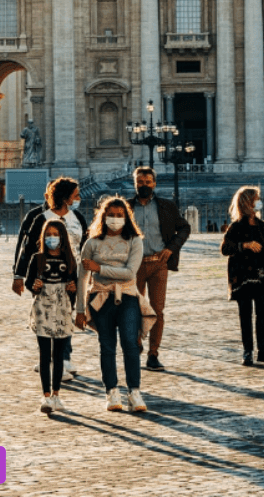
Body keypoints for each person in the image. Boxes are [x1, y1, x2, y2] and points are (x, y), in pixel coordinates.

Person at [75, 195, 148, 413]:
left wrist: (99, 268)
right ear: (103, 217)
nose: (115, 219)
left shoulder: (135, 241)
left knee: (130, 344)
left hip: (127, 297)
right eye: (111, 215)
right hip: (100, 298)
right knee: (106, 346)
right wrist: (79, 309)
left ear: (127, 218)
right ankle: (111, 391)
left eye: (119, 215)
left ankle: (134, 391)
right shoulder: (92, 243)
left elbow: (129, 273)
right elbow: (82, 278)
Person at [13, 176, 88, 379]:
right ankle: (52, 361)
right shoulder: (41, 219)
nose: (78, 198)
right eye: (75, 195)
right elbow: (27, 249)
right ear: (65, 198)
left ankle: (63, 359)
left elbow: (87, 247)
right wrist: (19, 275)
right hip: (45, 276)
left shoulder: (78, 218)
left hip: (72, 275)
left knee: (65, 316)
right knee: (47, 317)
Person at [128, 166, 191, 371]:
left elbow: (184, 227)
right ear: (135, 183)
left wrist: (171, 249)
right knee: (133, 309)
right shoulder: (126, 207)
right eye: (140, 182)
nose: (144, 185)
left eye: (147, 182)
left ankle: (153, 352)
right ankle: (136, 342)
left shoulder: (166, 206)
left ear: (154, 184)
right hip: (133, 266)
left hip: (158, 264)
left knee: (157, 310)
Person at [222, 186, 264, 366]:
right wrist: (244, 245)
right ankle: (248, 350)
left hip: (262, 275)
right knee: (245, 315)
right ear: (247, 203)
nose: (258, 202)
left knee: (263, 314)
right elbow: (225, 249)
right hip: (243, 276)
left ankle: (263, 349)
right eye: (256, 199)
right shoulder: (235, 227)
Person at [26, 219, 78, 414]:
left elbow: (74, 285)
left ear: (62, 237)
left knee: (58, 355)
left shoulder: (69, 259)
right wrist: (34, 286)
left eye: (56, 235)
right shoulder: (37, 259)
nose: (52, 238)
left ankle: (57, 394)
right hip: (43, 308)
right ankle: (46, 396)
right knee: (44, 353)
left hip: (62, 307)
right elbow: (30, 284)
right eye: (48, 235)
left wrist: (72, 290)